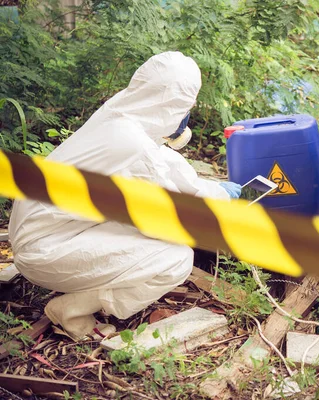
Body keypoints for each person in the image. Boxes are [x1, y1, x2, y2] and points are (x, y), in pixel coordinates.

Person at [8, 52, 241, 340]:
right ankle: (70, 310)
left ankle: (82, 288)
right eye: (186, 106)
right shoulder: (133, 143)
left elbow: (163, 164)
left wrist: (214, 191)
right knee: (175, 259)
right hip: (45, 249)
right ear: (174, 105)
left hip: (52, 230)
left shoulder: (120, 117)